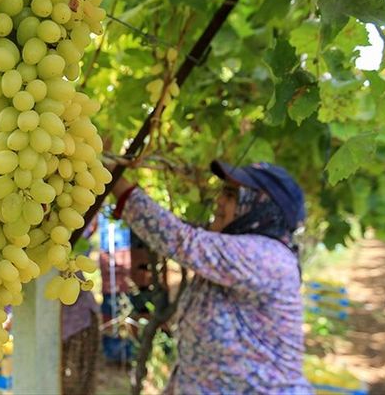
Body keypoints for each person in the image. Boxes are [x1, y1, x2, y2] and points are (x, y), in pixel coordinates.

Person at [110, 160, 312, 394]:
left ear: (260, 206)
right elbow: (199, 363)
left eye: (231, 194)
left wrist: (115, 178)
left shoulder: (268, 257)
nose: (219, 200)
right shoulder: (228, 259)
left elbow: (178, 238)